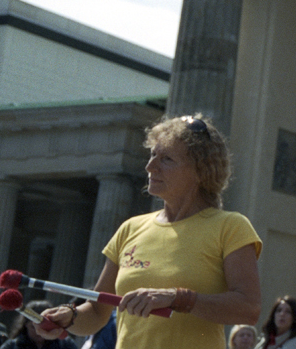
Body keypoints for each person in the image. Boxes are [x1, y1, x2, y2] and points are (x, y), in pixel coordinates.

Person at [41, 114, 262, 349]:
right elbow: (97, 311)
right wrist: (68, 317)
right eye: (152, 155)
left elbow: (248, 309)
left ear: (201, 171)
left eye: (166, 159)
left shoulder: (230, 226)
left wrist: (177, 298)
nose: (150, 166)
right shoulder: (130, 228)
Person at [0, 301, 73, 349]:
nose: (39, 332)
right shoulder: (12, 346)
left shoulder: (65, 344)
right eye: (33, 327)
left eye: (44, 328)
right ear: (26, 324)